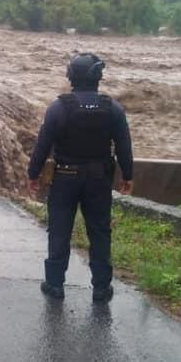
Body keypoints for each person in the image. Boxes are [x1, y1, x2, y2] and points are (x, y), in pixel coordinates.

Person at [27, 53, 134, 302]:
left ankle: (54, 285)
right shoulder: (113, 108)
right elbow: (123, 147)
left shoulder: (58, 107)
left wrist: (33, 174)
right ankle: (101, 288)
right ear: (98, 77)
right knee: (99, 231)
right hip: (99, 181)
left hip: (65, 178)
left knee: (59, 231)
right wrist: (127, 175)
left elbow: (42, 146)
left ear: (71, 76)